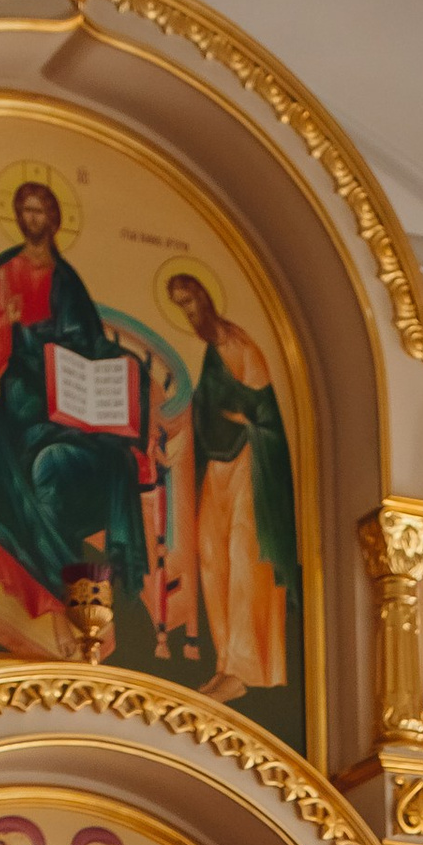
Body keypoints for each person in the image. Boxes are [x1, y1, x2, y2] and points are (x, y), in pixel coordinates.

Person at [0, 181, 147, 652]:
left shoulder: (68, 279)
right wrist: (4, 322)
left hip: (72, 409)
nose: (33, 219)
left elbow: (92, 345)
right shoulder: (5, 272)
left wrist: (118, 371)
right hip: (20, 404)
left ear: (55, 219)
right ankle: (62, 584)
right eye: (26, 211)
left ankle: (68, 592)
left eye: (41, 211)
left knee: (49, 467)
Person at [163, 271, 298, 697]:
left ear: (206, 298)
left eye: (191, 301)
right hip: (217, 469)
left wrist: (239, 414)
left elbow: (266, 412)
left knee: (243, 561)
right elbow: (204, 409)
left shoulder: (240, 347)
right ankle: (225, 663)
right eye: (180, 306)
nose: (188, 312)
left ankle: (244, 668)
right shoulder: (211, 352)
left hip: (247, 467)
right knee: (211, 560)